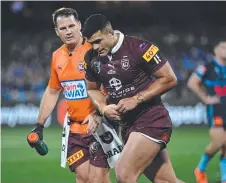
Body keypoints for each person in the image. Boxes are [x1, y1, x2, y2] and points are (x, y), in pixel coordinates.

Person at [82, 14, 180, 183]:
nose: (95, 47)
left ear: (110, 33)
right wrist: (103, 108)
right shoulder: (91, 58)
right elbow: (92, 89)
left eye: (98, 41)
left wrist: (137, 98)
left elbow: (170, 79)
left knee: (124, 173)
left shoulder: (139, 48)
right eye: (91, 43)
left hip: (152, 119)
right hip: (128, 126)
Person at [27, 8, 111, 183]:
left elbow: (113, 84)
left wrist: (99, 113)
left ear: (80, 25)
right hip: (74, 130)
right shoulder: (57, 56)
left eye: (71, 26)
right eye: (63, 28)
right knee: (82, 177)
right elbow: (52, 91)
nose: (68, 31)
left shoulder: (95, 49)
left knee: (97, 180)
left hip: (100, 126)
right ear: (57, 31)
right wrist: (39, 125)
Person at [188, 40, 226, 183]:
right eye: (223, 47)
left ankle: (224, 178)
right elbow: (192, 82)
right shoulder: (207, 67)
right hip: (215, 109)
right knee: (218, 142)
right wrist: (205, 98)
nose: (225, 50)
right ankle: (201, 168)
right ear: (216, 50)